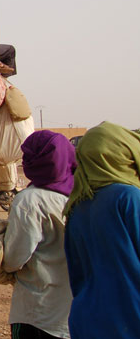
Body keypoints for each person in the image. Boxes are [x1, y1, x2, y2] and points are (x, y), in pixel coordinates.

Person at [64, 122, 140, 339]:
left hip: (86, 319)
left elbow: (76, 274)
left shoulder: (76, 206)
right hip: (131, 319)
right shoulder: (128, 197)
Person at [2, 131, 75, 339]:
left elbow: (15, 258)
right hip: (72, 314)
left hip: (37, 313)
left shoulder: (29, 201)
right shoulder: (81, 195)